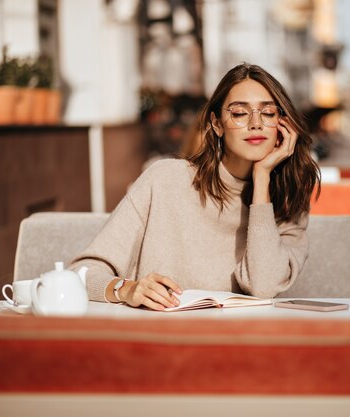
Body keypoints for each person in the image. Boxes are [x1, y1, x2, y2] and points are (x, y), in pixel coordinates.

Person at [71, 63, 320, 310]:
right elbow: (81, 273)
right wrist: (126, 289)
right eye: (239, 113)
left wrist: (262, 179)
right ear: (217, 124)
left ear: (283, 125)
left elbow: (263, 286)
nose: (255, 123)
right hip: (157, 337)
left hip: (240, 342)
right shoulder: (165, 179)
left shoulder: (290, 197)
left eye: (268, 113)